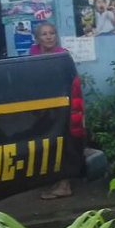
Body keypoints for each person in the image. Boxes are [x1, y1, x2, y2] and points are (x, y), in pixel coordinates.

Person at [31, 21, 73, 199]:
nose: (49, 37)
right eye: (44, 34)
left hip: (60, 105)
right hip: (40, 106)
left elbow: (69, 82)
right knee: (45, 144)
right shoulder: (33, 54)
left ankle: (64, 184)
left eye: (52, 33)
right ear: (37, 38)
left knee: (61, 142)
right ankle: (54, 182)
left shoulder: (62, 55)